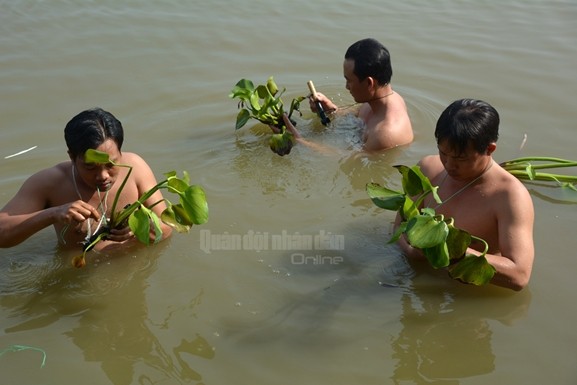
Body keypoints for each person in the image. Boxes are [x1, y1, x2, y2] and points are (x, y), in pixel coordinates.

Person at [395, 99, 534, 291]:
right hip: (418, 281)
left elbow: (519, 275)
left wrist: (448, 249)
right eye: (443, 153)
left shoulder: (510, 196)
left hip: (464, 291)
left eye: (461, 158)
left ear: (489, 149)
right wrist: (412, 251)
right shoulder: (428, 168)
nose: (449, 165)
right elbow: (398, 225)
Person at [0, 108, 173, 251]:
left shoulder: (136, 168)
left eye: (111, 164)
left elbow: (167, 229)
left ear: (120, 152)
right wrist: (53, 213)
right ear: (72, 157)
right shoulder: (50, 183)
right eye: (90, 167)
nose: (103, 175)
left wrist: (142, 230)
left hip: (131, 271)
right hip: (79, 277)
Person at [284, 38, 413, 152]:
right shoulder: (378, 99)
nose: (346, 87)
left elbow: (346, 159)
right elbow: (356, 115)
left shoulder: (385, 134)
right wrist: (331, 109)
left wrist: (299, 140)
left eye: (349, 81)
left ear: (369, 83)